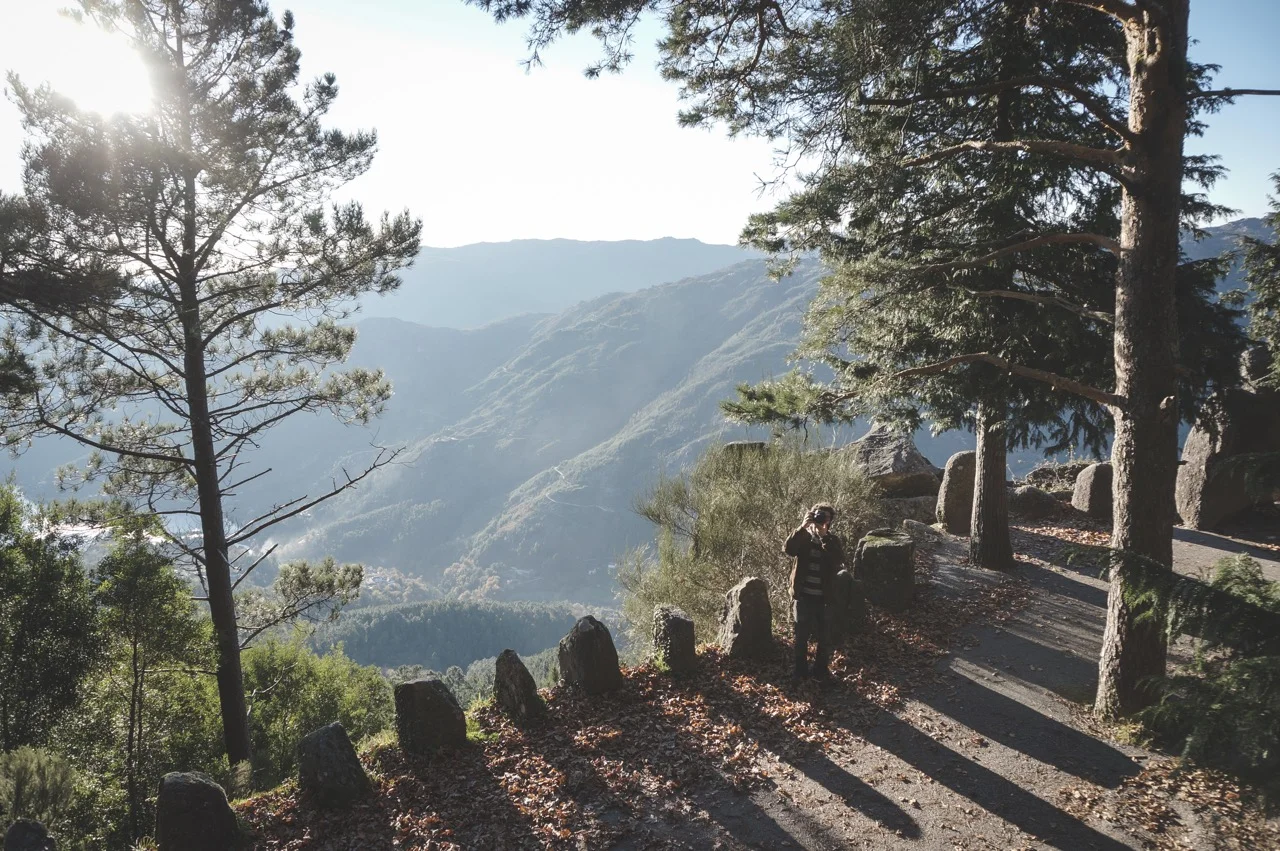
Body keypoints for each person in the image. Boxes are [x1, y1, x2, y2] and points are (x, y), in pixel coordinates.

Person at [783, 503, 844, 681]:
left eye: (825, 516)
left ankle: (821, 672)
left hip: (824, 599)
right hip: (803, 597)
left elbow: (838, 559)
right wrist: (802, 527)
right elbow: (788, 549)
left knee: (824, 638)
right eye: (818, 515)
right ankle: (800, 672)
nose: (821, 519)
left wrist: (824, 537)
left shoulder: (832, 540)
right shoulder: (803, 537)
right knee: (800, 637)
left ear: (830, 521)